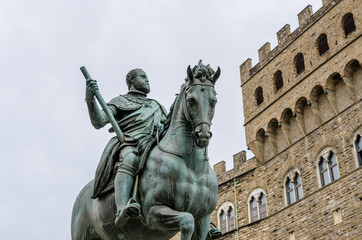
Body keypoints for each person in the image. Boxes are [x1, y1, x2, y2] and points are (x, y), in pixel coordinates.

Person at [85, 68, 167, 227]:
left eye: (147, 77)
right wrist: (90, 100)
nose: (147, 80)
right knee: (130, 158)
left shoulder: (156, 105)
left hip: (155, 143)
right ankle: (122, 208)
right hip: (132, 143)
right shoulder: (120, 101)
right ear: (131, 81)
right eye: (143, 77)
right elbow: (99, 121)